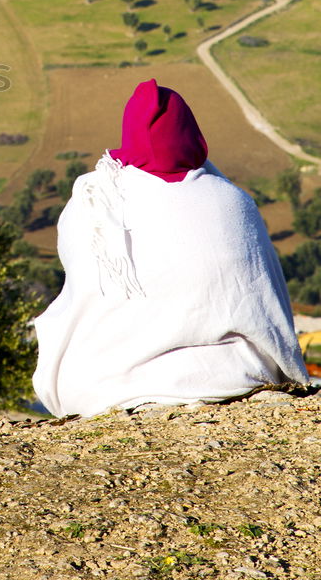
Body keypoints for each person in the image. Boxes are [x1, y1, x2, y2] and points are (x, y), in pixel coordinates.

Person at [32, 78, 309, 418]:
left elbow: (82, 294)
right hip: (232, 374)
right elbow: (267, 303)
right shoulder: (233, 201)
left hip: (108, 383)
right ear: (192, 134)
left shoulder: (94, 201)